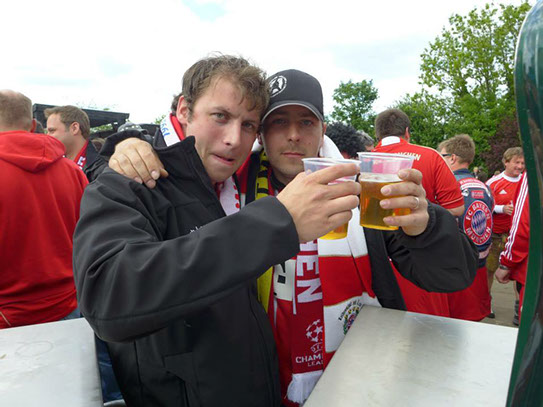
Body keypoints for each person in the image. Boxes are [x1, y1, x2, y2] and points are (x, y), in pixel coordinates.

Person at [107, 68, 478, 406]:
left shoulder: (360, 190)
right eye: (279, 122)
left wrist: (424, 226)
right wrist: (128, 146)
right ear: (261, 133)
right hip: (258, 385)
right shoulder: (226, 185)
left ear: (322, 129)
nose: (294, 135)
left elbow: (452, 276)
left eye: (306, 122)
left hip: (357, 381)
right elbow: (176, 174)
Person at [73, 56, 363, 407]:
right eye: (220, 117)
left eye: (248, 125)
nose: (233, 140)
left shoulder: (238, 183)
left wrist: (419, 230)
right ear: (184, 109)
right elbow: (108, 297)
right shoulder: (131, 182)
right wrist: (277, 222)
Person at [0, 90, 88, 329]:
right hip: (68, 306)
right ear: (33, 125)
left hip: (7, 317)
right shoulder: (74, 172)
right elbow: (90, 238)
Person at [372, 108, 465, 318]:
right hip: (420, 261)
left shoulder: (364, 160)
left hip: (377, 266)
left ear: (378, 134)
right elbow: (456, 208)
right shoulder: (431, 156)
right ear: (407, 132)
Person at [438, 134, 494, 321]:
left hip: (454, 273)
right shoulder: (485, 188)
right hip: (478, 269)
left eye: (442, 156)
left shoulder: (447, 186)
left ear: (452, 158)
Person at [485, 147, 525, 317]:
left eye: (523, 163)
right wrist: (501, 209)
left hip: (514, 236)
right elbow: (484, 205)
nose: (520, 166)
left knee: (519, 272)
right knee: (489, 270)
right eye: (517, 162)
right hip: (495, 235)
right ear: (506, 162)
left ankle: (518, 306)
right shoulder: (493, 182)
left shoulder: (525, 181)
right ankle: (486, 303)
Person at [496, 172, 530, 325]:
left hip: (534, 268)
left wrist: (506, 263)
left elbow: (522, 225)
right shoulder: (495, 181)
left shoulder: (533, 173)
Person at [45, 105, 106, 180]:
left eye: (52, 131)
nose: (47, 136)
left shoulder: (103, 171)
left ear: (74, 128)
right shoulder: (53, 167)